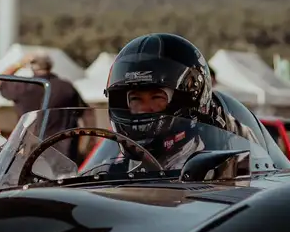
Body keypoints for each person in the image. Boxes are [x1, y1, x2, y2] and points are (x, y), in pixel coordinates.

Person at [99, 33, 242, 173]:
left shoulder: (215, 171)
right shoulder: (112, 171)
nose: (144, 108)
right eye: (135, 99)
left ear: (186, 102)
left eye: (156, 97)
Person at [0, 51, 89, 160]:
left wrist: (19, 64)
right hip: (64, 152)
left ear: (32, 66)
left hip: (31, 151)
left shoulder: (23, 87)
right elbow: (85, 114)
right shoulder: (66, 87)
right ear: (50, 65)